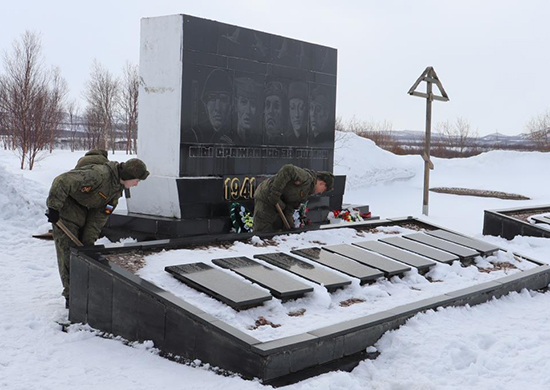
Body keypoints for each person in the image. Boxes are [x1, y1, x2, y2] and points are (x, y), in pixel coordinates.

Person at [46, 157, 149, 307]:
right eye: (137, 180)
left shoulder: (116, 191)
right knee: (68, 252)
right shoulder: (99, 175)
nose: (137, 184)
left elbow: (98, 218)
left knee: (82, 252)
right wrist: (54, 208)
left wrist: (88, 243)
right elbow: (61, 181)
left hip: (82, 211)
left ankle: (83, 291)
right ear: (129, 176)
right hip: (65, 211)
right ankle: (71, 297)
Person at [253, 164, 334, 233]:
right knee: (263, 230)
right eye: (323, 190)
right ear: (322, 183)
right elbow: (287, 169)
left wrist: (290, 225)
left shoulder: (307, 192)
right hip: (267, 195)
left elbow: (291, 207)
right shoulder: (305, 177)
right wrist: (275, 193)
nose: (320, 193)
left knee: (279, 231)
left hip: (280, 203)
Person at [233, 76, 261, 144]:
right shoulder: (226, 142)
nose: (248, 111)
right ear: (236, 105)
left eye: (253, 104)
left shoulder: (258, 141)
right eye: (243, 102)